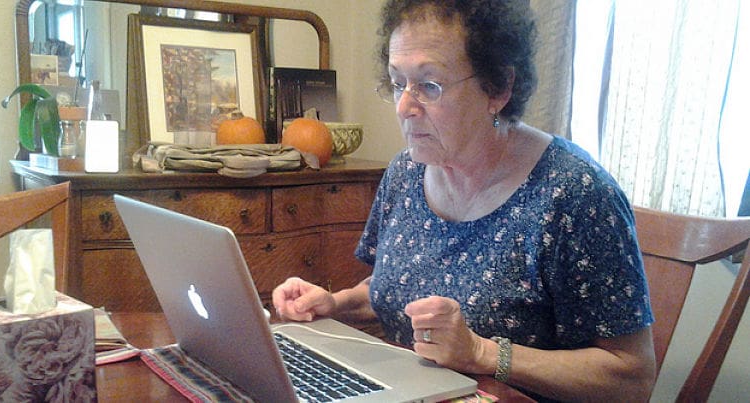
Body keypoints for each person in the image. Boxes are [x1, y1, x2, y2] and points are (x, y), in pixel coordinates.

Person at [272, 1, 657, 401]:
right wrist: (333, 303)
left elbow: (632, 378)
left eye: (429, 85)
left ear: (499, 88)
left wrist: (482, 353)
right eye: (397, 81)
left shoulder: (575, 194)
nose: (405, 106)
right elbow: (398, 287)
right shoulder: (406, 172)